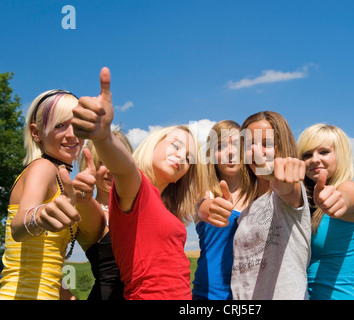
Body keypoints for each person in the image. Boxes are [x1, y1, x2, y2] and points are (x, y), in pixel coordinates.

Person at [71, 67, 207, 300]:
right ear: (153, 143)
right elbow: (124, 169)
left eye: (188, 158)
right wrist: (103, 136)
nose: (181, 157)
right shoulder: (138, 188)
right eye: (175, 145)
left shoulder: (163, 207)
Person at [0, 89, 97, 300]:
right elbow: (18, 226)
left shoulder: (61, 179)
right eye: (60, 125)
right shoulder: (43, 167)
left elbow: (45, 265)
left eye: (77, 124)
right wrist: (40, 215)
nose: (72, 134)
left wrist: (66, 295)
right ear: (36, 132)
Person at [230, 111, 311, 300]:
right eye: (250, 145)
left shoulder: (288, 194)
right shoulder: (245, 214)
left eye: (267, 144)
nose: (257, 152)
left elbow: (287, 187)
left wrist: (285, 176)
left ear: (282, 147)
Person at [297, 123, 354, 300]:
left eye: (324, 152)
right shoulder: (305, 201)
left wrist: (339, 201)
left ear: (341, 155)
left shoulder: (349, 188)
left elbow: (347, 197)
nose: (314, 159)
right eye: (307, 154)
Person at [73, 128, 133, 300]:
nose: (111, 169)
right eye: (102, 162)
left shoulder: (144, 206)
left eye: (118, 160)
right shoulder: (86, 209)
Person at [192, 120, 249, 300]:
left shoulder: (261, 194)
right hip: (209, 296)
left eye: (237, 145)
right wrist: (209, 208)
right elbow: (201, 206)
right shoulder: (203, 193)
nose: (230, 152)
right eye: (220, 146)